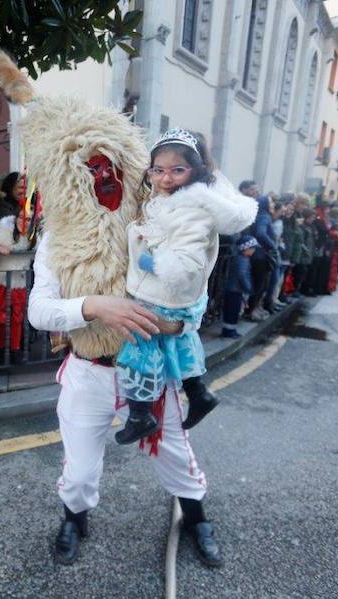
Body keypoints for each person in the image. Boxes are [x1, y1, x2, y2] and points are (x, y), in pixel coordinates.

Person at [0, 49, 222, 568]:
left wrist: (182, 320)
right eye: (87, 172)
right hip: (88, 372)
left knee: (177, 454)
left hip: (152, 368)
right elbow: (39, 313)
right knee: (81, 469)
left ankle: (197, 518)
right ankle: (75, 518)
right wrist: (94, 306)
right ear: (68, 178)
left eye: (109, 168)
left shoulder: (159, 221)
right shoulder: (58, 241)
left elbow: (193, 288)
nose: (100, 181)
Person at [115, 129, 257, 444]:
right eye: (158, 170)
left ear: (195, 171)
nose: (166, 178)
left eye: (177, 170)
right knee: (179, 346)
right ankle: (199, 393)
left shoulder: (192, 207)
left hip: (160, 294)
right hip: (171, 296)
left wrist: (153, 263)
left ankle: (140, 416)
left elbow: (185, 266)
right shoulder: (176, 199)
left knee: (138, 351)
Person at [0, 211, 34, 365]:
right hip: (1, 281)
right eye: (21, 217)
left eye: (28, 219)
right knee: (3, 317)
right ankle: (2, 349)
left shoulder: (35, 235)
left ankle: (14, 349)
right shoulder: (5, 230)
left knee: (17, 317)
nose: (23, 221)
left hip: (19, 281)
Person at [221, 236, 258, 339]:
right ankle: (228, 331)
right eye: (252, 248)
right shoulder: (241, 260)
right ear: (245, 249)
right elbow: (242, 275)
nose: (254, 251)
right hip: (234, 290)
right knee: (232, 312)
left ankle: (231, 330)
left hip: (234, 289)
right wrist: (248, 287)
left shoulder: (241, 258)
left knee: (233, 311)